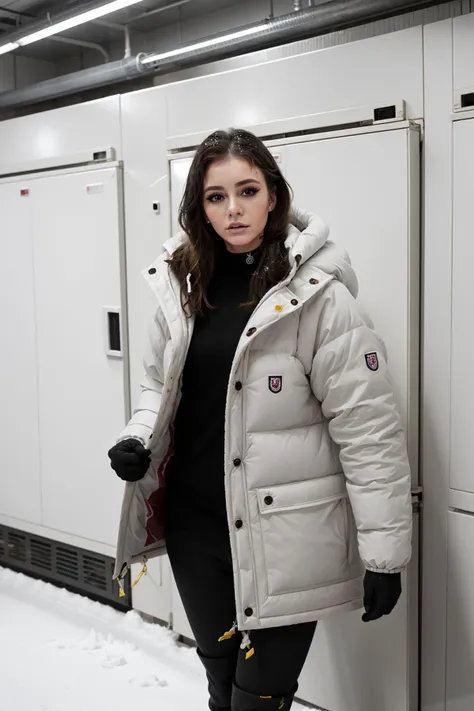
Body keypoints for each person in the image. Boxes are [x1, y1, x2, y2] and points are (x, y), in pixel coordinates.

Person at [108, 128, 412, 711]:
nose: (233, 209)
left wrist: (385, 553)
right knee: (221, 689)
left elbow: (369, 429)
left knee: (259, 701)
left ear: (274, 195)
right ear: (199, 205)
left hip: (283, 539)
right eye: (216, 196)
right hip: (197, 532)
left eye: (247, 190)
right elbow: (157, 387)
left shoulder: (318, 299)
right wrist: (135, 436)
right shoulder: (181, 287)